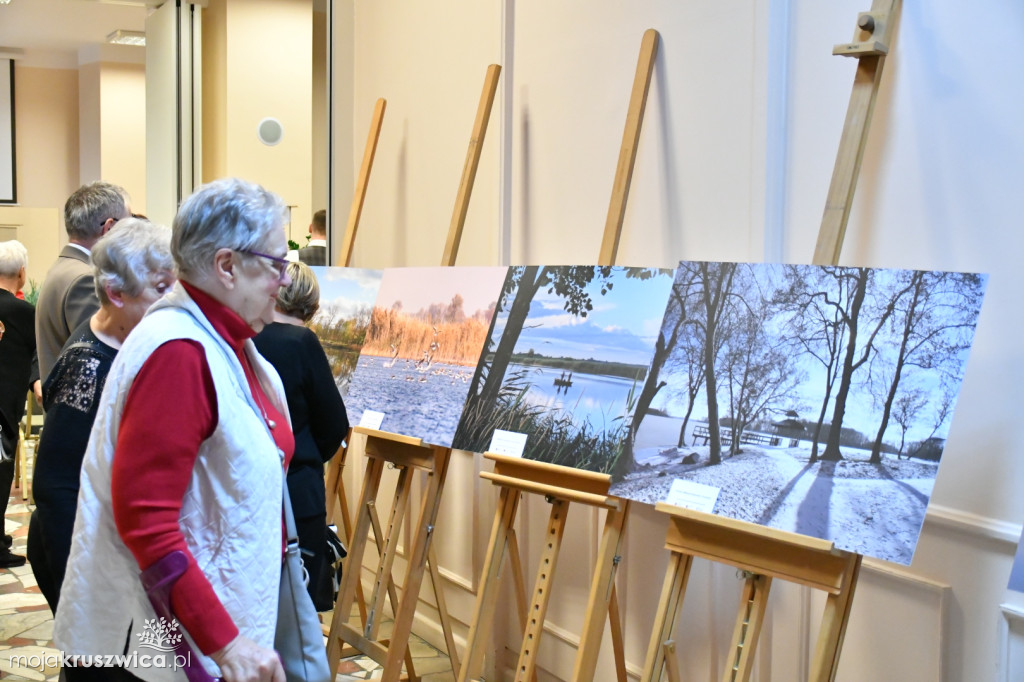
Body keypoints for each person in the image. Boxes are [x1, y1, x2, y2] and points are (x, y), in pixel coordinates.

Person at [54, 178, 294, 682]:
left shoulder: (225, 341)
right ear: (227, 266)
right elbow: (146, 519)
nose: (285, 281)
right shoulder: (179, 353)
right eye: (276, 264)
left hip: (199, 622)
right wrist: (225, 645)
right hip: (161, 643)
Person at [28, 218, 175, 613]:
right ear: (115, 293)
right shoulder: (88, 365)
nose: (172, 299)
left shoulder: (129, 341)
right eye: (161, 289)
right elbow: (56, 486)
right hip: (78, 554)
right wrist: (78, 586)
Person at [254, 261, 348, 610]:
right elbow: (334, 423)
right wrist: (306, 454)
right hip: (298, 489)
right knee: (299, 604)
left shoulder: (248, 337)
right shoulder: (303, 341)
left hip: (254, 483)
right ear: (311, 299)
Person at [35, 182, 131, 379]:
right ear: (110, 227)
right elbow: (99, 359)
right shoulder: (85, 279)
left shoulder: (64, 268)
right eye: (128, 226)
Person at [0, 240, 41, 569]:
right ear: (22, 273)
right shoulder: (26, 314)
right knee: (1, 477)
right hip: (3, 409)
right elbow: (38, 357)